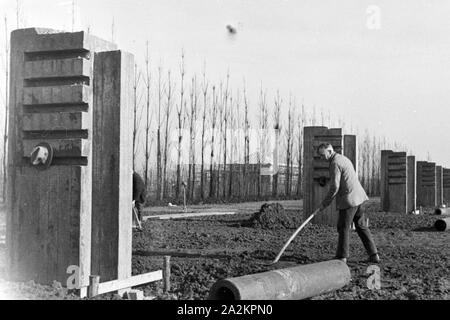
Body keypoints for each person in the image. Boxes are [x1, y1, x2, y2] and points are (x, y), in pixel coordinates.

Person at [316, 143, 380, 264]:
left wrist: (325, 203)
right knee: (361, 226)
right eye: (319, 155)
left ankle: (342, 256)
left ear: (330, 151)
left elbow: (335, 187)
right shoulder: (343, 159)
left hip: (349, 200)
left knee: (343, 227)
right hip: (359, 198)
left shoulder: (334, 163)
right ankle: (374, 254)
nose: (321, 158)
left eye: (322, 155)